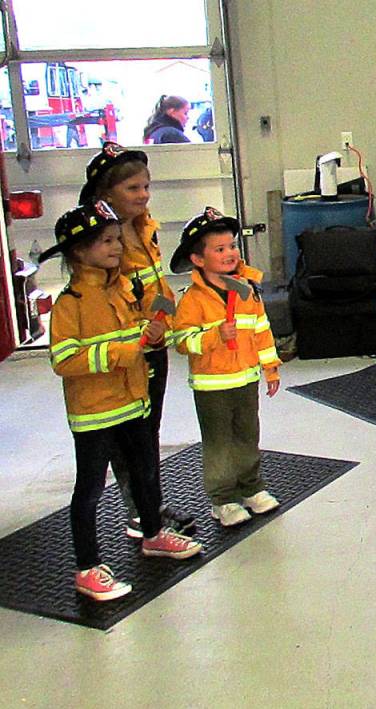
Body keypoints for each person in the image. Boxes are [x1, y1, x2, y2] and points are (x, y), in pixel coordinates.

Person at [45, 202, 202, 601]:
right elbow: (64, 360)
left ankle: (152, 534)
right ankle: (86, 567)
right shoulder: (71, 302)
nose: (117, 247)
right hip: (95, 413)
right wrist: (121, 351)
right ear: (79, 251)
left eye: (117, 239)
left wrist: (151, 334)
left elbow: (140, 326)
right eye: (107, 241)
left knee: (146, 472)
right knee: (91, 489)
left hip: (133, 402)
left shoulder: (123, 287)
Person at [79, 141, 195, 539]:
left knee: (149, 430)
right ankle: (140, 512)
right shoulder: (97, 241)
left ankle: (151, 503)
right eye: (133, 189)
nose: (143, 195)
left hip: (153, 343)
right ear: (104, 194)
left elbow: (155, 284)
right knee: (127, 436)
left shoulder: (146, 227)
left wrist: (162, 319)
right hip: (125, 351)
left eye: (146, 187)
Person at [170, 207, 283, 527]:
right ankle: (222, 500)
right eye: (219, 249)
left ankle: (251, 488)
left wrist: (270, 367)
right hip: (212, 385)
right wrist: (212, 337)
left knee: (247, 436)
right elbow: (181, 341)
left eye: (232, 246)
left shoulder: (248, 291)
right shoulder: (192, 299)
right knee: (219, 443)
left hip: (246, 380)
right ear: (198, 259)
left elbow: (261, 330)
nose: (230, 253)